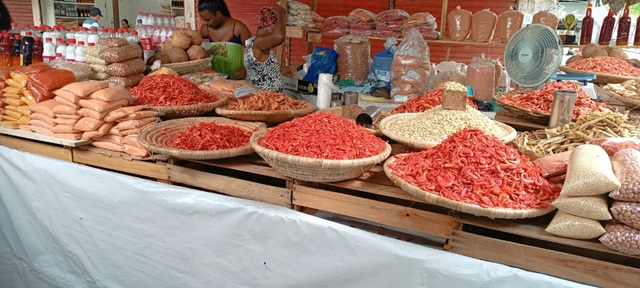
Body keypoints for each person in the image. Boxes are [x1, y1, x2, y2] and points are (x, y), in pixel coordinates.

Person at [198, 0, 251, 79]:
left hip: (237, 79)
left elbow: (254, 51)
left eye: (207, 20)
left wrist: (247, 68)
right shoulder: (204, 30)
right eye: (203, 20)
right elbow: (198, 51)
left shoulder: (238, 27)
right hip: (213, 82)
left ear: (218, 14)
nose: (205, 23)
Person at [244, 5, 285, 92]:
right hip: (263, 99)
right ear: (268, 26)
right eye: (276, 28)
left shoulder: (259, 42)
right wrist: (281, 16)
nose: (277, 30)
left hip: (270, 98)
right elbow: (279, 37)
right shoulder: (259, 42)